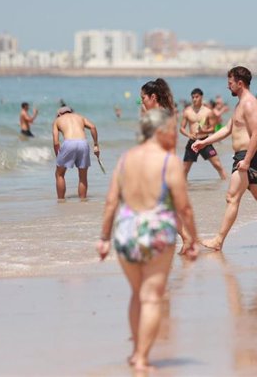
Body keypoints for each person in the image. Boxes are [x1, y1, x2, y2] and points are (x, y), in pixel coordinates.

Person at [97, 108, 198, 371]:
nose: (175, 134)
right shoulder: (169, 161)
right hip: (157, 234)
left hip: (126, 232)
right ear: (161, 131)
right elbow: (184, 207)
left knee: (136, 294)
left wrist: (104, 238)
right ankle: (142, 358)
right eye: (172, 129)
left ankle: (135, 352)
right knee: (152, 297)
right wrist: (194, 239)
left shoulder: (124, 159)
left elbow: (110, 203)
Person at [192, 66, 257, 250]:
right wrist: (204, 142)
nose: (228, 87)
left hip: (247, 156)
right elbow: (228, 129)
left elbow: (256, 135)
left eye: (230, 83)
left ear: (240, 83)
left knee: (232, 197)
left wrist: (245, 162)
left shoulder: (249, 104)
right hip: (247, 156)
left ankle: (218, 241)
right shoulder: (240, 104)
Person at [52, 106, 99, 201]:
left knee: (59, 174)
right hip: (83, 143)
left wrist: (58, 157)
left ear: (59, 114)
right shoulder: (79, 117)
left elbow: (56, 142)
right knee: (83, 176)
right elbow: (93, 127)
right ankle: (82, 200)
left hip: (69, 143)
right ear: (71, 112)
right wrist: (96, 145)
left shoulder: (57, 120)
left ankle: (61, 200)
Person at [180, 88, 227, 180]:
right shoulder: (187, 111)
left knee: (217, 165)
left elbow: (212, 129)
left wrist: (203, 131)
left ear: (201, 97)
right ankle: (183, 188)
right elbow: (181, 128)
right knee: (185, 169)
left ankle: (226, 184)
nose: (194, 99)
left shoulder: (208, 112)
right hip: (192, 142)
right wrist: (188, 135)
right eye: (193, 97)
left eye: (196, 97)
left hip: (205, 141)